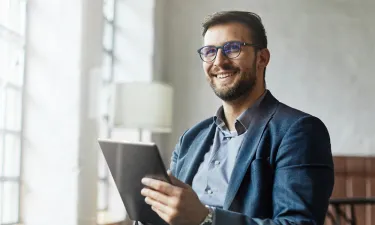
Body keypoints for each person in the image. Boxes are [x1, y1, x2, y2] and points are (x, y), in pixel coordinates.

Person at [140, 11, 334, 225]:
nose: (219, 61)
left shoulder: (300, 131)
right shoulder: (191, 138)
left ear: (262, 58)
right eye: (210, 51)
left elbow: (299, 223)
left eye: (232, 48)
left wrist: (206, 219)